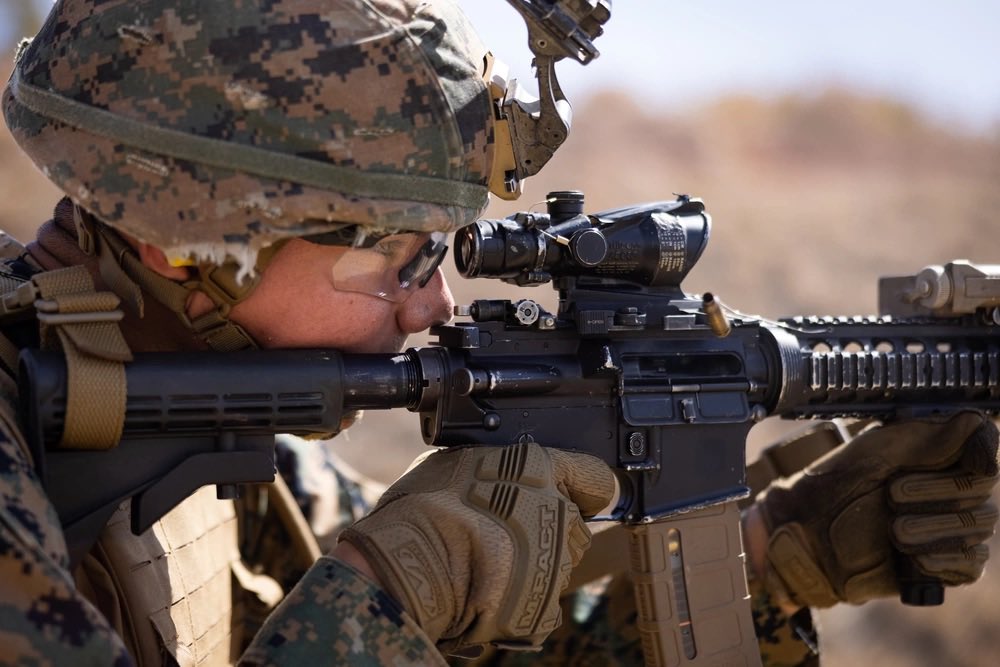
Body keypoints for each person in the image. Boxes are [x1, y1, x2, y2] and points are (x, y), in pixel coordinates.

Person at [0, 1, 996, 666]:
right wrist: (383, 591)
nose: (430, 306)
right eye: (396, 255)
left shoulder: (229, 434)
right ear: (188, 241)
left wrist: (774, 558)